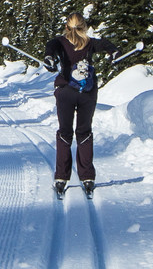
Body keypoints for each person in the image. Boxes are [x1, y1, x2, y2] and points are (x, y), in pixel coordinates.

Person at [44, 13, 117, 199]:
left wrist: (49, 59)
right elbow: (106, 44)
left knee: (64, 133)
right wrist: (114, 53)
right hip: (87, 92)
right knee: (84, 132)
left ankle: (61, 177)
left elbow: (50, 46)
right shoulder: (91, 43)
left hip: (66, 91)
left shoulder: (60, 42)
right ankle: (87, 177)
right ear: (84, 26)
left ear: (66, 27)